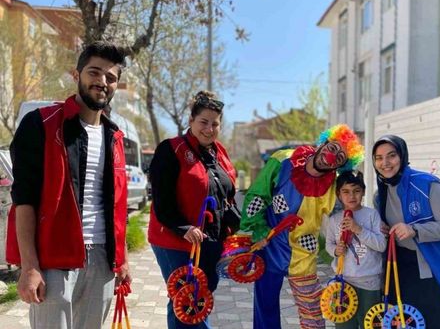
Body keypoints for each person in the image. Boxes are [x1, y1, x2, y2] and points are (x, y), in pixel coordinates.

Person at [6, 41, 131, 328]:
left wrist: (122, 260)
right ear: (77, 76)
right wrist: (30, 267)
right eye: (94, 73)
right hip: (53, 259)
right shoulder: (41, 124)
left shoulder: (115, 137)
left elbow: (117, 206)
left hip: (102, 260)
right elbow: (24, 200)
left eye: (110, 78)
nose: (102, 82)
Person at [240, 124, 364, 329]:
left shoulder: (334, 186)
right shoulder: (283, 159)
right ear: (324, 143)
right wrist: (257, 228)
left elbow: (350, 207)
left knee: (312, 312)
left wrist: (371, 224)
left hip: (303, 251)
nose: (332, 157)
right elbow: (258, 196)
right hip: (269, 245)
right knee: (265, 306)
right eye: (333, 148)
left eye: (340, 158)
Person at [147, 91, 238, 329]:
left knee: (197, 300)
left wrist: (238, 227)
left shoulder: (220, 153)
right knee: (188, 300)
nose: (209, 129)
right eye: (203, 122)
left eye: (215, 124)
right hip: (175, 241)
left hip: (210, 241)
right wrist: (183, 227)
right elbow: (160, 199)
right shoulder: (171, 149)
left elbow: (227, 195)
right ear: (191, 121)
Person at [372, 135, 440, 329]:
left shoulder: (427, 185)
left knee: (439, 321)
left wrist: (415, 230)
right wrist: (385, 230)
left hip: (436, 267)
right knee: (407, 320)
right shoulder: (380, 195)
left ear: (402, 156)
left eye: (391, 155)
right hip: (402, 267)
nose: (385, 163)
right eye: (378, 157)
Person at [324, 171, 386, 329]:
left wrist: (358, 229)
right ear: (339, 194)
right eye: (345, 191)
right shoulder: (334, 220)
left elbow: (381, 245)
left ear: (363, 192)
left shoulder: (372, 215)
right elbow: (329, 244)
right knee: (344, 325)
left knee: (370, 323)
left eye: (356, 191)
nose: (351, 196)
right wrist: (336, 251)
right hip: (343, 283)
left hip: (369, 283)